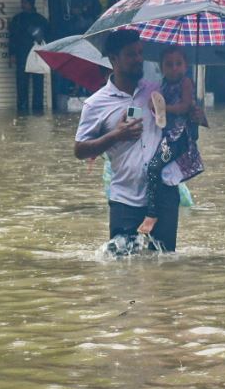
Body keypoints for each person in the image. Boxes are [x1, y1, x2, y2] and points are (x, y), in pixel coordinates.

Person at [74, 30, 184, 252]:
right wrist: (116, 134)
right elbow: (80, 150)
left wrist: (193, 112)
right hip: (124, 198)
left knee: (164, 267)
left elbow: (180, 123)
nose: (138, 59)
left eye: (140, 53)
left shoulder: (158, 91)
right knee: (122, 271)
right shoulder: (96, 104)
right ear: (113, 59)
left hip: (163, 196)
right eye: (131, 54)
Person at [138, 47, 204, 234]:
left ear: (186, 65)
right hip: (166, 136)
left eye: (178, 64)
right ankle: (151, 210)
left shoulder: (186, 83)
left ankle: (152, 213)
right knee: (152, 168)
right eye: (169, 64)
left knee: (153, 167)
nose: (174, 68)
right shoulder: (162, 85)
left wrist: (165, 109)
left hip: (178, 137)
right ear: (161, 67)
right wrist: (154, 106)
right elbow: (155, 107)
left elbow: (183, 107)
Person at [8, 0, 50, 114]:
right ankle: (22, 110)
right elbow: (12, 38)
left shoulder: (41, 20)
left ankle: (38, 109)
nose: (22, 5)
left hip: (37, 56)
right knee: (21, 84)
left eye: (25, 3)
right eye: (22, 3)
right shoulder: (17, 19)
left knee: (38, 84)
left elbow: (47, 37)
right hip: (21, 56)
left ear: (31, 4)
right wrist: (12, 54)